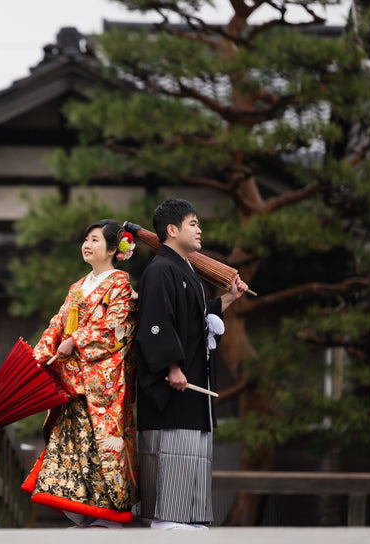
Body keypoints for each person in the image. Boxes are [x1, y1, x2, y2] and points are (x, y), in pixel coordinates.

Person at [131, 199, 248, 530]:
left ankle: (190, 523)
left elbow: (198, 320)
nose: (199, 230)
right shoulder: (160, 270)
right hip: (172, 388)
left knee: (192, 459)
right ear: (172, 229)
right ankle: (169, 523)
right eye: (193, 223)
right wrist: (171, 366)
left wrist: (228, 298)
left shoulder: (188, 271)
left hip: (193, 384)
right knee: (171, 461)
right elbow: (155, 324)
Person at [21, 219, 139, 528]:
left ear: (113, 249)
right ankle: (84, 515)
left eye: (95, 240)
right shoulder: (78, 287)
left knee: (101, 448)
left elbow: (117, 328)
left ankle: (109, 517)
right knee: (72, 447)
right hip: (72, 382)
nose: (87, 245)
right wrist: (37, 359)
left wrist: (76, 341)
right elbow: (57, 324)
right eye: (86, 239)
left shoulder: (120, 285)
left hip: (100, 385)